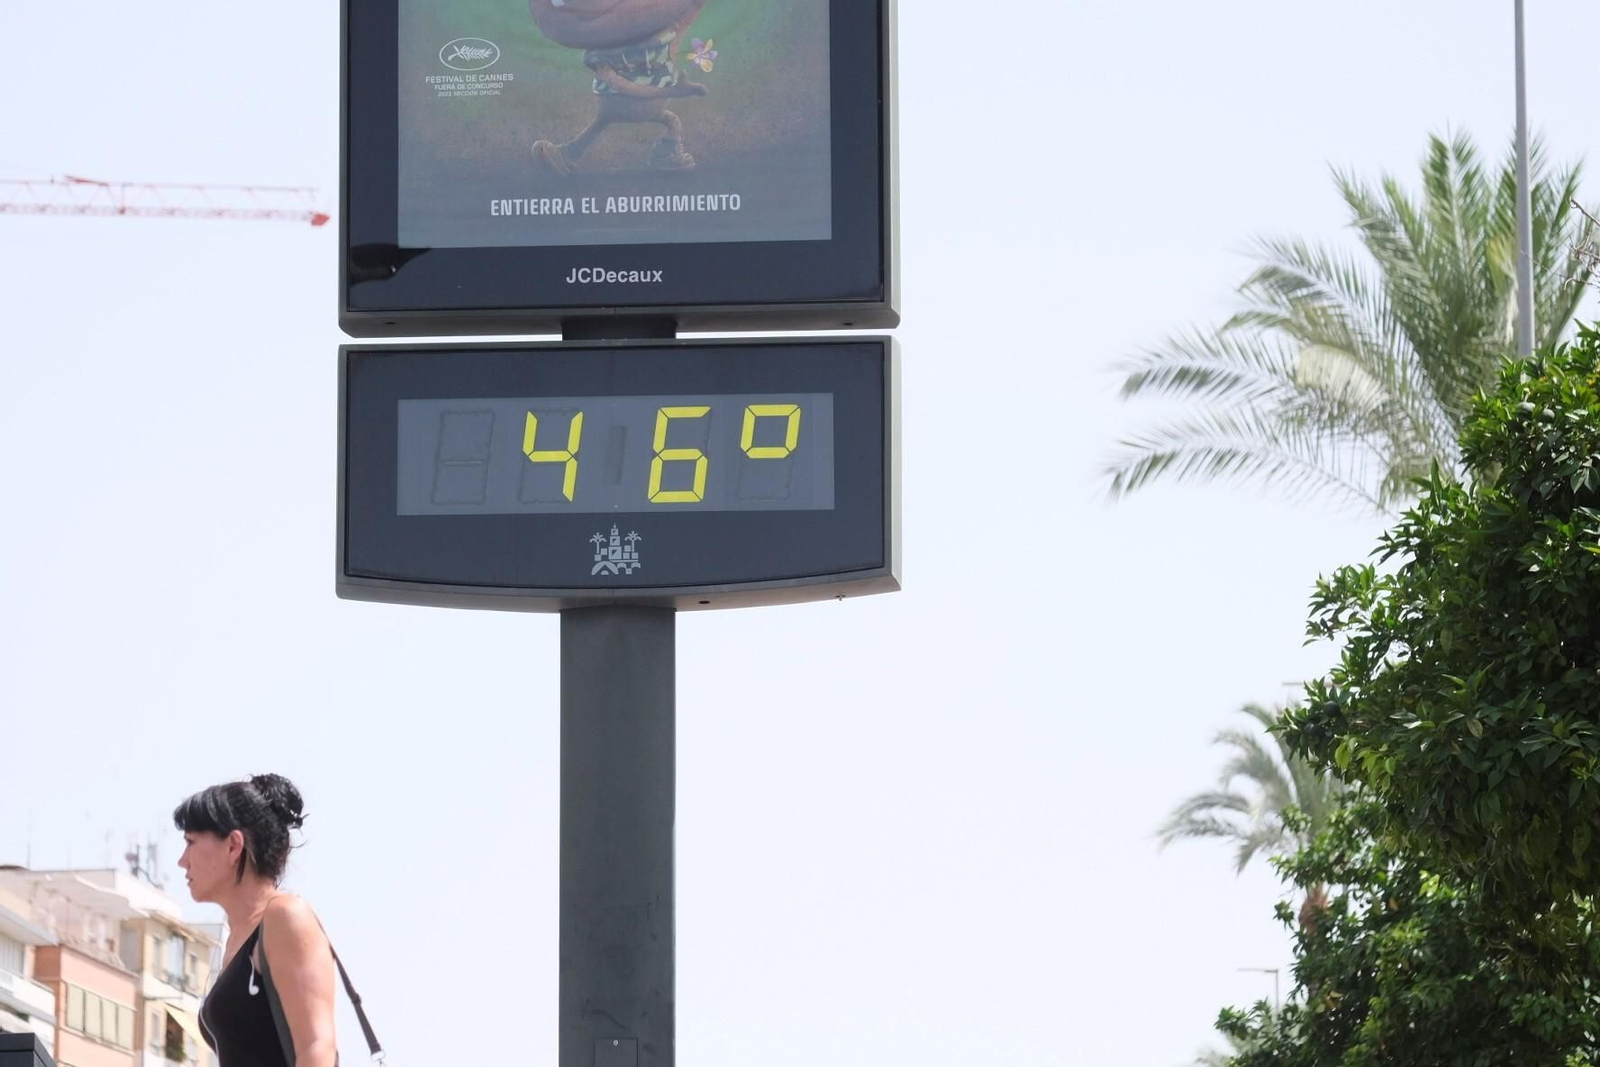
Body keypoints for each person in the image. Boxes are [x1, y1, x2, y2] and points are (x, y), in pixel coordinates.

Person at [176, 774, 337, 1067]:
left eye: (191, 842)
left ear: (233, 846)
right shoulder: (235, 940)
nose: (182, 861)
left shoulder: (285, 916)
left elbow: (318, 1048)